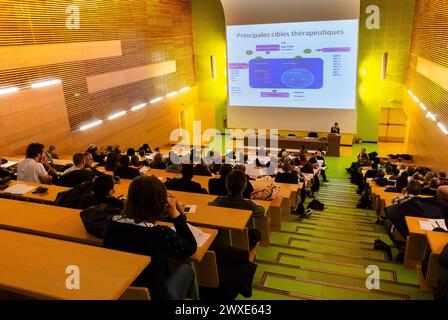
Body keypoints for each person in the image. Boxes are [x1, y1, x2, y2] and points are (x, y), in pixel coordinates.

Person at [103, 176, 197, 300]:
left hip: (121, 291)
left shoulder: (110, 222)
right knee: (187, 268)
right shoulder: (161, 234)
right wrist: (175, 213)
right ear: (161, 204)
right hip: (157, 296)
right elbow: (191, 247)